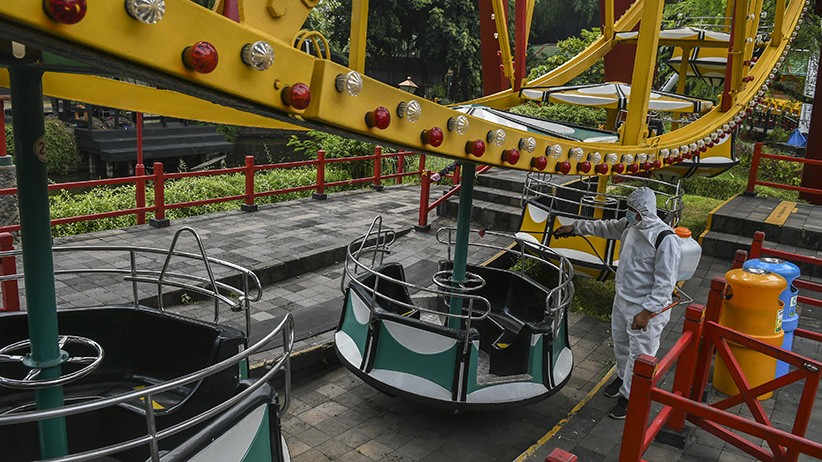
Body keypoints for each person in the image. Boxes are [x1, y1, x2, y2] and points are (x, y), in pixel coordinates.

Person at [554, 187, 681, 419]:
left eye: (633, 210)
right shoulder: (630, 226)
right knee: (621, 345)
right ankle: (623, 379)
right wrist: (575, 228)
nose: (629, 214)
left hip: (644, 310)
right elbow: (605, 226)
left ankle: (632, 397)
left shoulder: (665, 239)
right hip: (623, 300)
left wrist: (647, 313)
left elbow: (665, 284)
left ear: (645, 210)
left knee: (640, 355)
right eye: (629, 209)